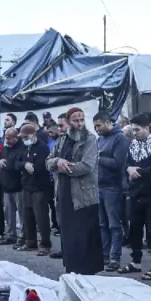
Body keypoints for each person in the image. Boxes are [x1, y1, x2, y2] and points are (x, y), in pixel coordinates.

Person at [48, 107, 103, 274]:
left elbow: (87, 166)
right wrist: (57, 161)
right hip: (64, 194)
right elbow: (48, 161)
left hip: (83, 196)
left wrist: (63, 166)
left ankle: (88, 272)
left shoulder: (90, 139)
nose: (79, 124)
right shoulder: (63, 139)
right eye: (75, 121)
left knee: (84, 235)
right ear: (68, 122)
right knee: (68, 234)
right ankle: (71, 269)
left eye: (81, 120)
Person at [119, 113, 151, 278]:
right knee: (135, 227)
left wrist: (138, 171)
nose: (135, 132)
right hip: (135, 191)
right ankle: (136, 261)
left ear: (147, 127)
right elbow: (127, 163)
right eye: (133, 129)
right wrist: (129, 169)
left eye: (137, 129)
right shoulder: (134, 144)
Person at [95, 112, 130, 271]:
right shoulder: (100, 139)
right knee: (102, 224)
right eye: (95, 126)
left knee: (114, 225)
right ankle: (104, 255)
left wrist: (98, 159)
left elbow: (118, 162)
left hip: (113, 187)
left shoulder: (120, 138)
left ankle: (115, 257)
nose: (97, 129)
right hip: (99, 186)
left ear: (108, 122)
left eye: (99, 125)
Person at [17, 123, 54, 254]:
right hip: (26, 186)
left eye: (26, 137)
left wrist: (31, 166)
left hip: (40, 186)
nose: (24, 139)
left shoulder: (43, 148)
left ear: (33, 135)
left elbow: (40, 166)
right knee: (28, 215)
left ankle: (45, 244)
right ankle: (30, 241)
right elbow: (16, 162)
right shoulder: (23, 147)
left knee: (41, 216)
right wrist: (24, 164)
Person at [0, 127, 25, 246]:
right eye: (5, 138)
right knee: (9, 213)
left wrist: (6, 164)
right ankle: (11, 234)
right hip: (6, 186)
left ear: (16, 137)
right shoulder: (5, 149)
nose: (6, 140)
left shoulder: (22, 149)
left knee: (22, 213)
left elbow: (15, 165)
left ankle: (24, 235)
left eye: (9, 138)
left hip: (18, 186)